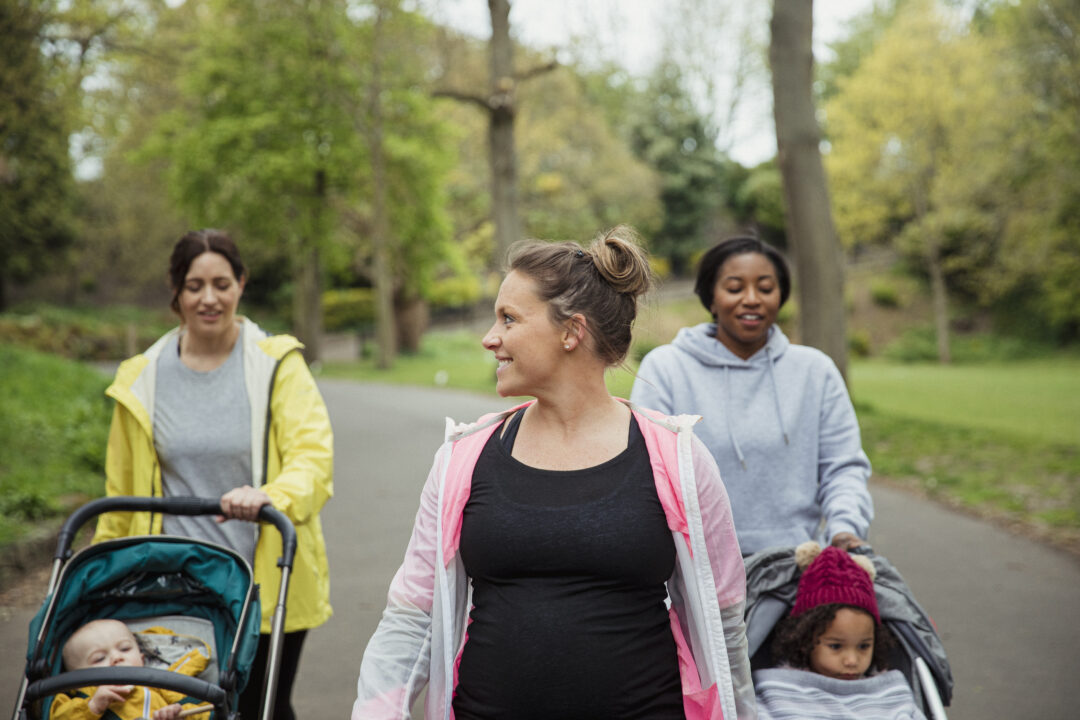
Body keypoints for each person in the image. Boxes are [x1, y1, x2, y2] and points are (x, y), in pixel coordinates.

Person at [353, 226, 756, 720]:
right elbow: (413, 616)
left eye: (509, 318)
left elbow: (724, 622)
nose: (490, 338)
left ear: (571, 331)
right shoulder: (463, 458)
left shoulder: (678, 460)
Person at [93, 229, 334, 720]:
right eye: (195, 285)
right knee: (176, 709)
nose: (209, 298)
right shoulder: (141, 378)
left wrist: (270, 497)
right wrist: (101, 582)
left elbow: (313, 459)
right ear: (176, 291)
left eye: (221, 284)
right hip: (170, 588)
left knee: (261, 708)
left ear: (241, 284)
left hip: (264, 581)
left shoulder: (277, 365)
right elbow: (120, 494)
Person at [630, 236, 873, 556]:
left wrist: (844, 530)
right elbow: (646, 473)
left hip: (797, 562)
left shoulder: (815, 371)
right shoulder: (666, 368)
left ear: (781, 296)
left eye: (765, 288)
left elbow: (843, 468)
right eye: (734, 288)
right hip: (699, 571)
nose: (751, 299)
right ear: (711, 298)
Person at [753, 543, 927, 720]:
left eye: (863, 646)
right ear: (804, 640)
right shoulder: (777, 692)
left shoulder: (891, 694)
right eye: (836, 646)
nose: (852, 661)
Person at [51, 619, 210, 720]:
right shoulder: (81, 697)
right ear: (77, 679)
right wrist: (92, 706)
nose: (116, 658)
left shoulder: (161, 685)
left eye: (125, 649)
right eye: (99, 658)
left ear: (142, 659)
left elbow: (206, 712)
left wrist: (178, 714)